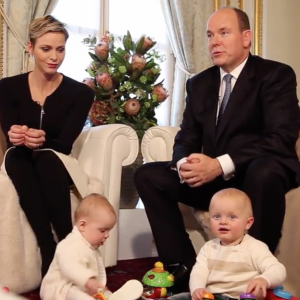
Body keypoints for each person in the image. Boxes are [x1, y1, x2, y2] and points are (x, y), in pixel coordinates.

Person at [134, 6, 300, 290]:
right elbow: (186, 136)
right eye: (210, 35)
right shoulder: (198, 84)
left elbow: (280, 137)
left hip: (259, 171)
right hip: (216, 179)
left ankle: (253, 274)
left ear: (246, 38)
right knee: (148, 175)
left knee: (263, 171)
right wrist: (185, 163)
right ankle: (183, 267)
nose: (214, 42)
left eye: (224, 33)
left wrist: (220, 164)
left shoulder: (276, 75)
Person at [0, 15, 95, 277]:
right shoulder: (6, 88)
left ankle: (65, 241)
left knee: (46, 158)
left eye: (60, 49)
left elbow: (64, 144)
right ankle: (48, 246)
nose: (54, 56)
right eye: (46, 49)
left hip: (57, 161)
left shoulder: (81, 93)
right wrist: (16, 134)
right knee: (18, 156)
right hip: (19, 159)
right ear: (30, 48)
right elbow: (10, 136)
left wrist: (43, 141)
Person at [40, 193, 144, 300]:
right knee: (76, 292)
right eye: (103, 230)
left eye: (109, 230)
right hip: (59, 289)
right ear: (82, 225)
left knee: (97, 292)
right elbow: (70, 267)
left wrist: (99, 287)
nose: (107, 235)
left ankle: (108, 297)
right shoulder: (70, 244)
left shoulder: (90, 247)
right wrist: (88, 281)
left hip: (80, 284)